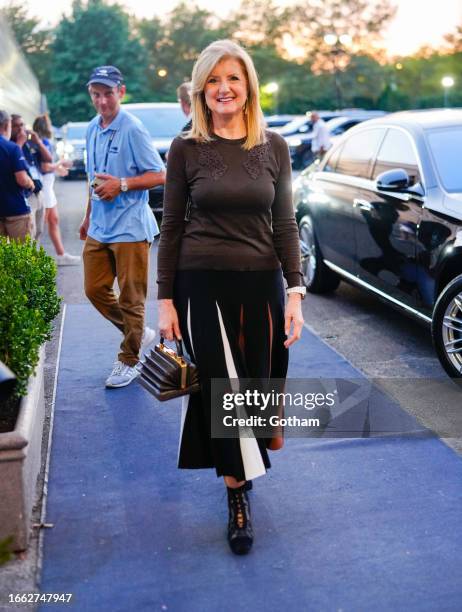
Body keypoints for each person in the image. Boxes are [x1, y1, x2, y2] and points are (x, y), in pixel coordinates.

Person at [157, 40, 305, 555]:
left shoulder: (275, 146)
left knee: (257, 389)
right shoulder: (185, 149)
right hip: (201, 285)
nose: (223, 88)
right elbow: (171, 226)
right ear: (202, 89)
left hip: (261, 285)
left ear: (248, 88)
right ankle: (237, 498)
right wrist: (165, 300)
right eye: (213, 79)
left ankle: (244, 470)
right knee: (223, 388)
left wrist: (296, 291)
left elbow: (284, 224)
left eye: (233, 79)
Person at [80, 65, 166, 388]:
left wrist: (123, 184)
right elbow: (93, 178)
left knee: (132, 298)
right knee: (93, 289)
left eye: (108, 94)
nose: (102, 101)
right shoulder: (91, 128)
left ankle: (129, 360)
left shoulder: (133, 129)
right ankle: (138, 332)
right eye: (96, 95)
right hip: (100, 227)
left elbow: (160, 174)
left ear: (121, 92)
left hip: (130, 227)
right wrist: (88, 217)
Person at [32, 114, 81, 265]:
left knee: (52, 220)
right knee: (41, 225)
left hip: (47, 186)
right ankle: (34, 257)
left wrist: (57, 169)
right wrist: (59, 163)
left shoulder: (38, 142)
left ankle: (60, 254)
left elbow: (46, 167)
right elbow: (45, 167)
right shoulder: (44, 142)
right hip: (45, 187)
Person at [10, 113, 52, 242]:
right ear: (8, 128)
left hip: (38, 191)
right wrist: (20, 143)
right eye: (15, 126)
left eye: (22, 125)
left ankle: (35, 259)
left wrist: (38, 141)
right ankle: (31, 261)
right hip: (25, 194)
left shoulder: (31, 142)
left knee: (39, 230)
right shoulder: (12, 145)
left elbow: (48, 159)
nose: (20, 128)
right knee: (29, 232)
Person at [0, 110, 35, 240]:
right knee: (22, 256)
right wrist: (30, 184)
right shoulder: (12, 148)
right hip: (16, 210)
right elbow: (21, 179)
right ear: (6, 125)